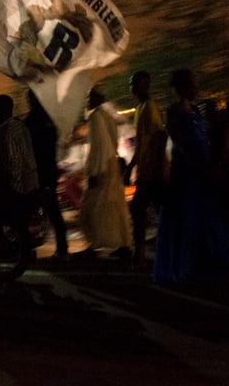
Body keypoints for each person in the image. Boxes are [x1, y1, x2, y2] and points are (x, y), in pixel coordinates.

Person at [153, 69, 229, 286]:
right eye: (192, 84)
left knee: (207, 218)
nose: (196, 88)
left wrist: (210, 164)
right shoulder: (172, 111)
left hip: (202, 171)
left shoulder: (196, 110)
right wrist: (198, 165)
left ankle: (211, 264)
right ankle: (186, 267)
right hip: (185, 174)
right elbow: (180, 142)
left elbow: (204, 138)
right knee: (185, 220)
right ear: (181, 87)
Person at [76, 87, 132, 259]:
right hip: (111, 167)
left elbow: (100, 148)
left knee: (92, 208)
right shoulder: (107, 116)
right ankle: (121, 243)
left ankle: (95, 244)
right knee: (113, 205)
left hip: (102, 168)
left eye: (89, 97)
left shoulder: (95, 117)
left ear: (96, 99)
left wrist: (94, 171)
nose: (87, 101)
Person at [0, 93, 40, 265]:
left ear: (4, 109)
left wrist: (11, 188)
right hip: (29, 185)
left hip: (20, 187)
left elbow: (14, 162)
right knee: (19, 224)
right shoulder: (18, 126)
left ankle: (7, 248)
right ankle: (23, 252)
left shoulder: (9, 130)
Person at [126, 71, 167, 268]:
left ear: (145, 85)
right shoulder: (140, 108)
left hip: (152, 172)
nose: (131, 88)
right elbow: (142, 143)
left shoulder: (150, 107)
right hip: (146, 171)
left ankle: (140, 254)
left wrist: (158, 168)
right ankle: (144, 253)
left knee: (139, 210)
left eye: (135, 83)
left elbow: (161, 136)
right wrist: (131, 167)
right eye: (131, 84)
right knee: (157, 211)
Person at [24, 89, 67, 259]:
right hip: (49, 169)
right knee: (52, 210)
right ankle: (61, 248)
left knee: (30, 209)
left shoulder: (32, 120)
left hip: (38, 171)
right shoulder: (50, 118)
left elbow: (30, 148)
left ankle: (27, 249)